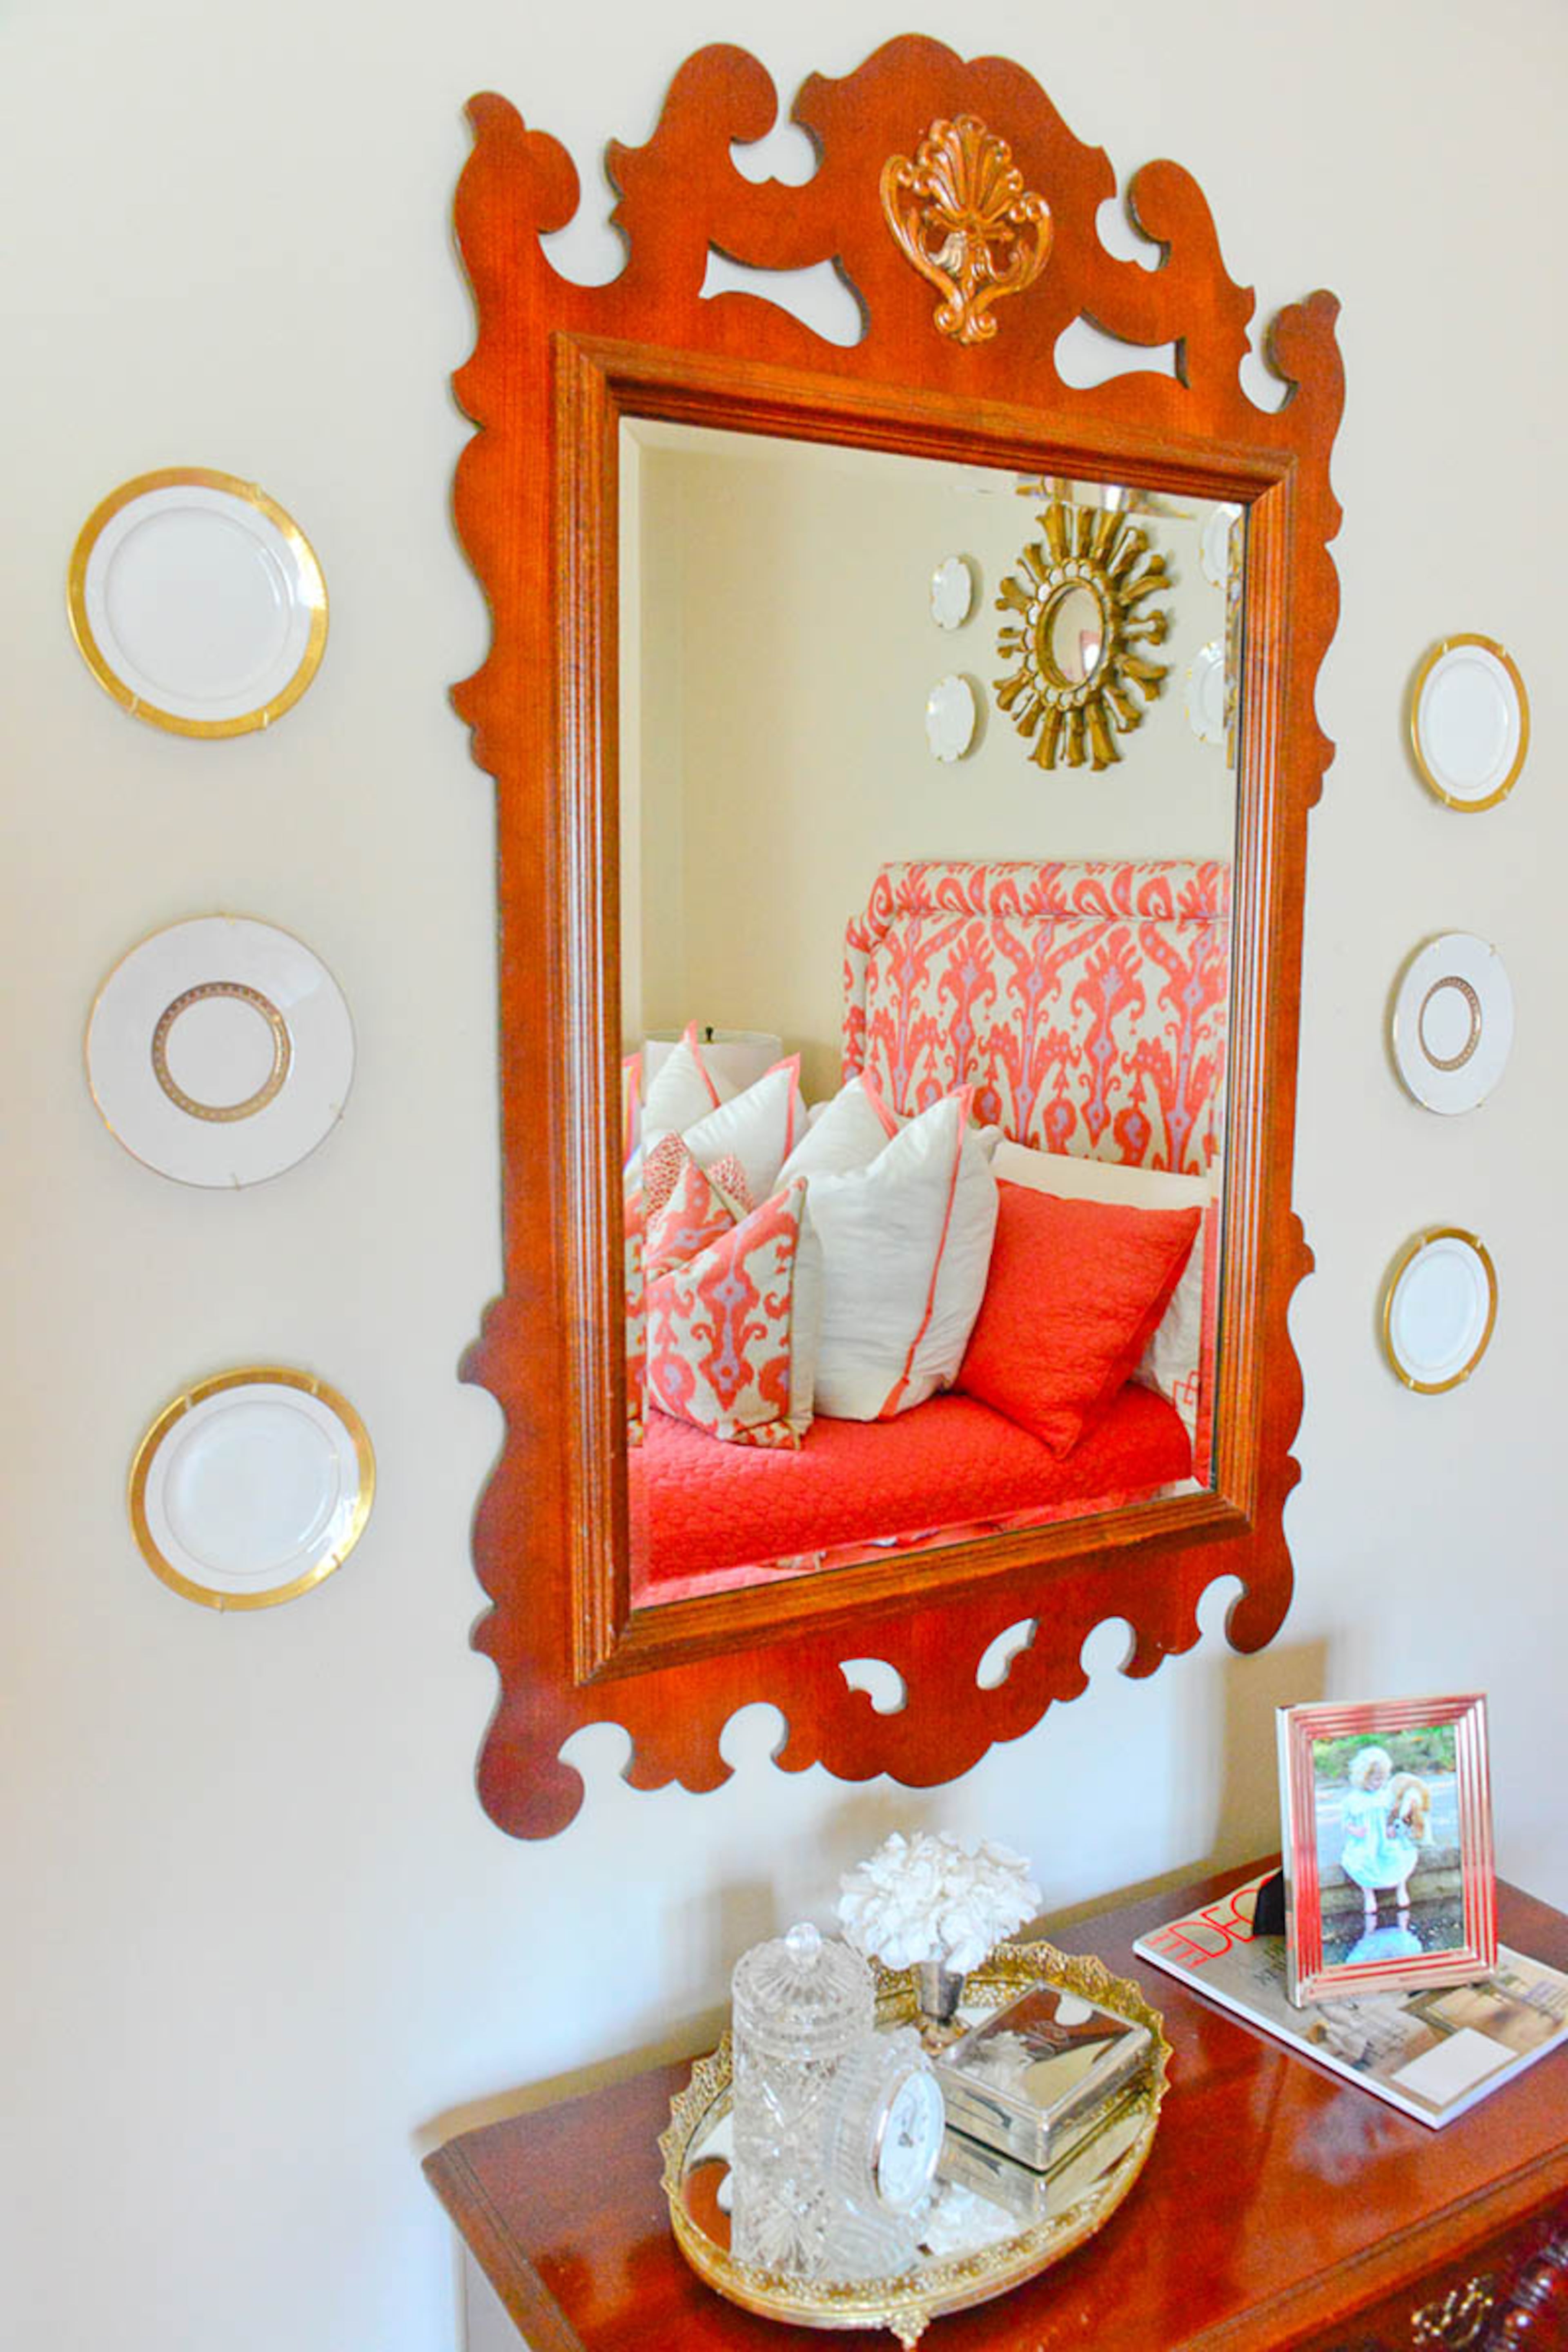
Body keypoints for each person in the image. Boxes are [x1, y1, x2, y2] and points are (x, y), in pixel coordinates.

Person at [1338, 1745, 1422, 1925]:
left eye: (1382, 1780)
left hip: (1386, 1838)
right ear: (1363, 1777)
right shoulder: (1353, 1800)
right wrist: (1354, 1830)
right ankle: (1369, 1895)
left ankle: (1401, 1888)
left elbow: (1395, 1815)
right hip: (1366, 1841)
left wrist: (1392, 1827)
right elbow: (1346, 1822)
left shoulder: (1386, 1796)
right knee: (1363, 1861)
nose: (1379, 1784)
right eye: (1375, 1780)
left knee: (1397, 1855)